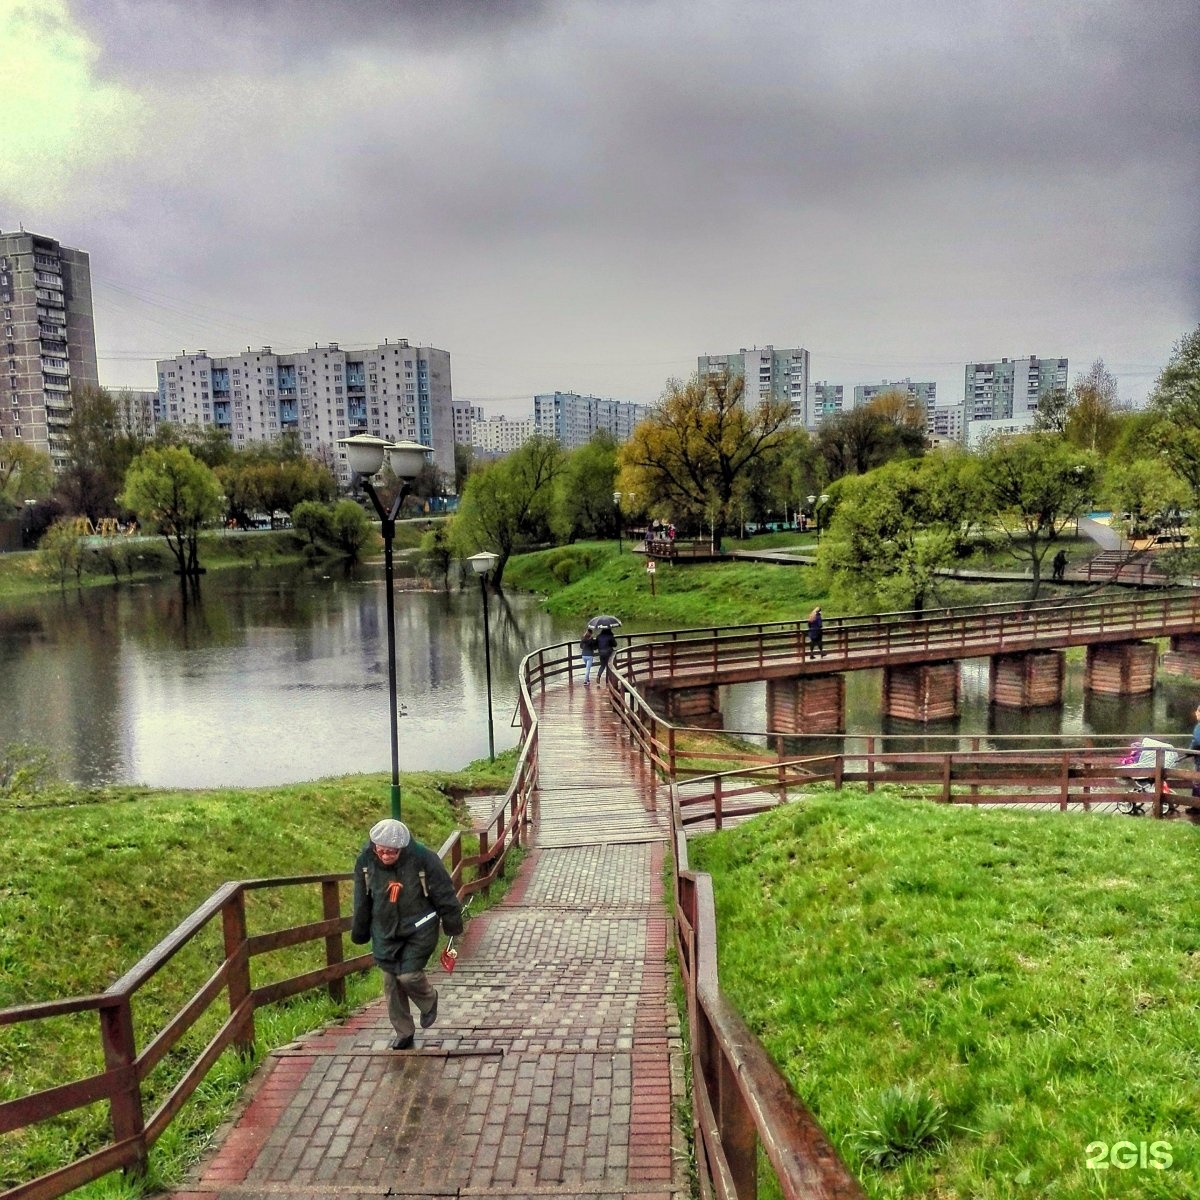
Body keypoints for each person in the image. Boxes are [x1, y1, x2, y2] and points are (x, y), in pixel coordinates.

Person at [351, 818, 464, 1050]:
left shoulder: (424, 859)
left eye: (390, 852)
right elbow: (361, 899)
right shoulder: (365, 861)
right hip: (384, 931)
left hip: (419, 928)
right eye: (380, 851)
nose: (384, 855)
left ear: (401, 848)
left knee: (408, 976)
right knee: (391, 982)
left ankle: (429, 999)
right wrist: (360, 930)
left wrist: (453, 925)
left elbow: (444, 893)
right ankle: (404, 1032)